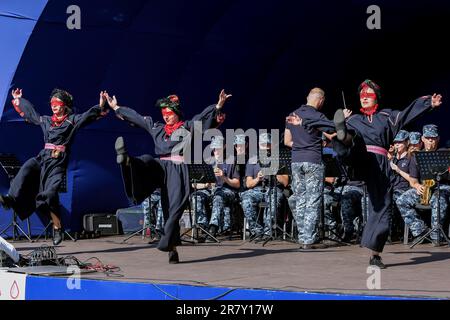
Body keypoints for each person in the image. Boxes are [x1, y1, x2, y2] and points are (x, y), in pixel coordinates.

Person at [295, 80, 442, 267]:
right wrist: (306, 122)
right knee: (349, 136)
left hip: (379, 165)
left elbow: (406, 113)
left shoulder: (387, 116)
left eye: (369, 94)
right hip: (358, 160)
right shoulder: (355, 119)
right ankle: (344, 136)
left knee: (382, 206)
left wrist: (428, 103)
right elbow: (326, 126)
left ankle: (375, 254)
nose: (364, 97)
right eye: (362, 94)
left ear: (376, 98)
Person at [106, 90, 231, 263]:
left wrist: (217, 106)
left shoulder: (186, 127)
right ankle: (128, 161)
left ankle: (171, 248)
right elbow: (138, 118)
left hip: (178, 168)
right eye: (164, 114)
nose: (166, 117)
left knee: (172, 210)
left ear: (177, 114)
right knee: (147, 160)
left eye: (169, 114)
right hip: (161, 166)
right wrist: (117, 108)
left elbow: (201, 118)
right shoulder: (157, 128)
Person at [0, 88, 109, 245]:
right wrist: (19, 100)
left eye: (57, 103)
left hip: (58, 162)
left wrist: (100, 106)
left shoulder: (71, 120)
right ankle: (11, 198)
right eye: (52, 103)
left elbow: (88, 117)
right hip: (43, 157)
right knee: (29, 165)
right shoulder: (46, 120)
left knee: (50, 195)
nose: (53, 106)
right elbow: (32, 114)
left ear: (64, 105)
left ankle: (57, 228)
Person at [284, 88, 334, 249]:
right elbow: (332, 134)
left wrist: (300, 145)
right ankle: (308, 240)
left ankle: (303, 236)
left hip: (296, 161)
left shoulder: (293, 114)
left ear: (307, 98)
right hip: (313, 160)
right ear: (321, 101)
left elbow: (287, 141)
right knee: (313, 200)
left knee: (300, 199)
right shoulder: (317, 116)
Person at [396, 125, 450, 245]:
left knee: (438, 199)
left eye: (434, 138)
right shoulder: (416, 156)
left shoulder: (445, 153)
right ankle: (420, 231)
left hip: (441, 187)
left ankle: (436, 236)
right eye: (428, 138)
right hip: (423, 187)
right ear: (423, 139)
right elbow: (413, 180)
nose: (431, 140)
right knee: (401, 200)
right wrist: (417, 186)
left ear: (438, 139)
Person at [241, 133, 289, 240]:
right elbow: (248, 184)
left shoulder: (279, 159)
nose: (266, 147)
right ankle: (257, 231)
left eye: (268, 144)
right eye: (263, 145)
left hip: (274, 188)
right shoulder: (253, 160)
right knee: (246, 199)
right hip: (258, 188)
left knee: (274, 199)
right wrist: (257, 178)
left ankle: (268, 231)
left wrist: (275, 171)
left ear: (272, 145)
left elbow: (285, 182)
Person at [206, 136, 240, 239]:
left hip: (227, 190)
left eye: (218, 148)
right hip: (211, 190)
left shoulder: (231, 160)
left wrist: (224, 177)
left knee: (218, 196)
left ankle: (212, 229)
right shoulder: (209, 161)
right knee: (196, 196)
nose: (216, 150)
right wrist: (205, 184)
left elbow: (237, 184)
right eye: (214, 148)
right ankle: (201, 227)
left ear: (224, 146)